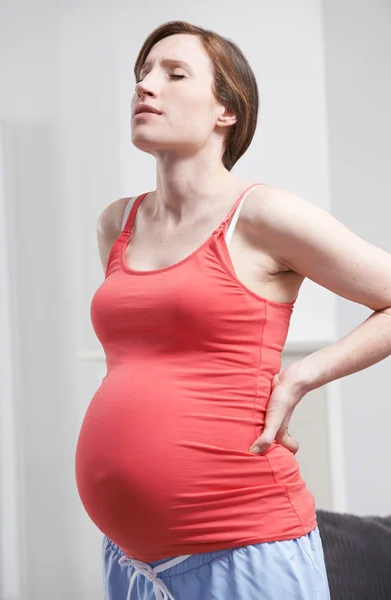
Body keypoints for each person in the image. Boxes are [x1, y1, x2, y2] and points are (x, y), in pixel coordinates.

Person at [75, 20, 335, 600]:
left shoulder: (264, 215)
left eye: (174, 74)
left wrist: (302, 375)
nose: (146, 86)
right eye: (142, 73)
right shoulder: (116, 223)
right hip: (133, 562)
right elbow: (143, 361)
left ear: (227, 110)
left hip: (245, 549)